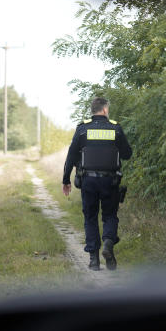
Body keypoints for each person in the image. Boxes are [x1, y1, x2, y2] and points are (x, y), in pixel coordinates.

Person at [62, 97, 132, 271]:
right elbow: (127, 154)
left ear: (92, 110)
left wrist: (66, 180)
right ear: (105, 110)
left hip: (88, 181)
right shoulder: (115, 128)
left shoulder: (82, 129)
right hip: (110, 181)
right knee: (110, 216)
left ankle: (94, 260)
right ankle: (108, 243)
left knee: (90, 217)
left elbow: (70, 156)